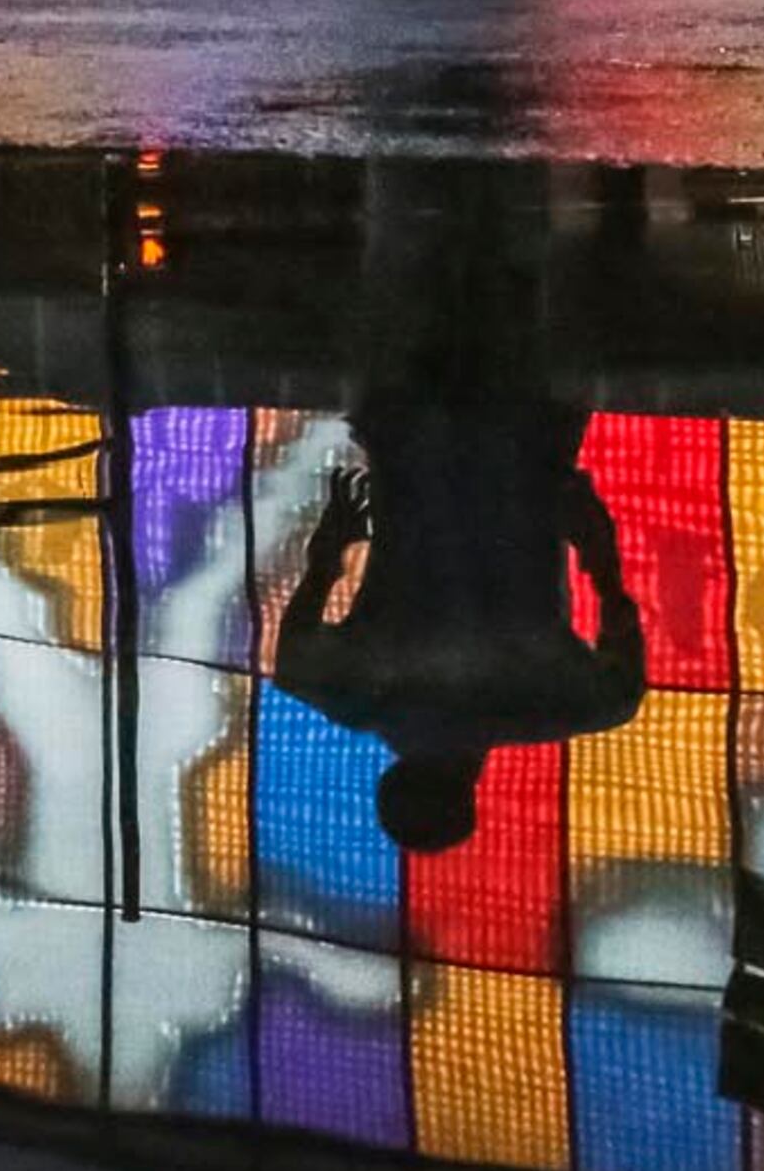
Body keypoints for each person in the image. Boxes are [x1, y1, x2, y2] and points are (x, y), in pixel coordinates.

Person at [269, 159, 645, 852]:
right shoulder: (364, 696)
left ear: (470, 790)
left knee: (516, 270)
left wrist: (599, 559)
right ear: (393, 779)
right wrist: (331, 553)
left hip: (524, 454)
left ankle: (511, 150)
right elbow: (291, 663)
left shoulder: (543, 704)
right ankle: (420, 141)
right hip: (412, 445)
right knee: (410, 253)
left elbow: (622, 693)